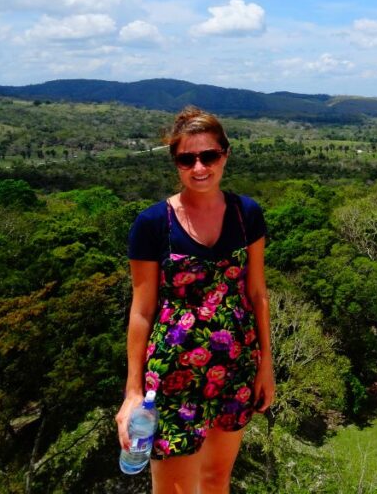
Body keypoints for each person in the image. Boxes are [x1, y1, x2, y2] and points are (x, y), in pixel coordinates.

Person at [116, 107, 275, 493]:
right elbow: (142, 311)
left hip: (235, 366)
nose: (199, 167)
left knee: (216, 479)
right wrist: (133, 391)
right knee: (175, 489)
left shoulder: (246, 215)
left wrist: (266, 364)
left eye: (209, 156)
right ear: (175, 162)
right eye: (187, 158)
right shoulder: (153, 224)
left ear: (225, 154)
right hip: (173, 376)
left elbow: (256, 294)